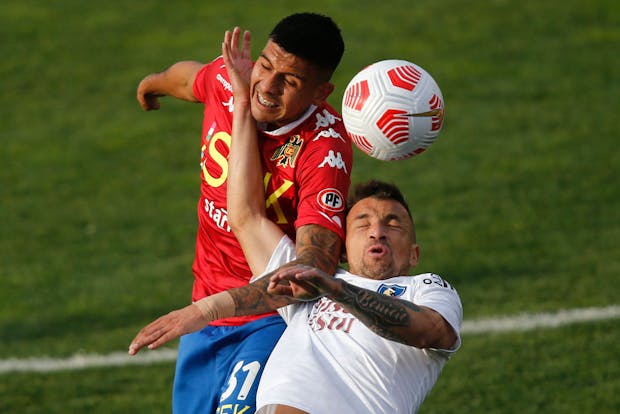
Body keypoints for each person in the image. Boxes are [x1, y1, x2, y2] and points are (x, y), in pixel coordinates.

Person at [135, 13, 352, 413]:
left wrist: (218, 306)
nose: (266, 87)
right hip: (204, 309)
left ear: (321, 92)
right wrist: (152, 84)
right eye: (266, 65)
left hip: (269, 317)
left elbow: (312, 269)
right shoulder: (233, 78)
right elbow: (189, 78)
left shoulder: (324, 148)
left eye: (290, 81)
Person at [130, 179, 463, 413]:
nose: (377, 231)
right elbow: (245, 217)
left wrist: (340, 291)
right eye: (362, 224)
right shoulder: (312, 280)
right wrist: (241, 106)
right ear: (343, 247)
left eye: (394, 224)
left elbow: (429, 329)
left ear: (415, 253)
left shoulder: (428, 288)